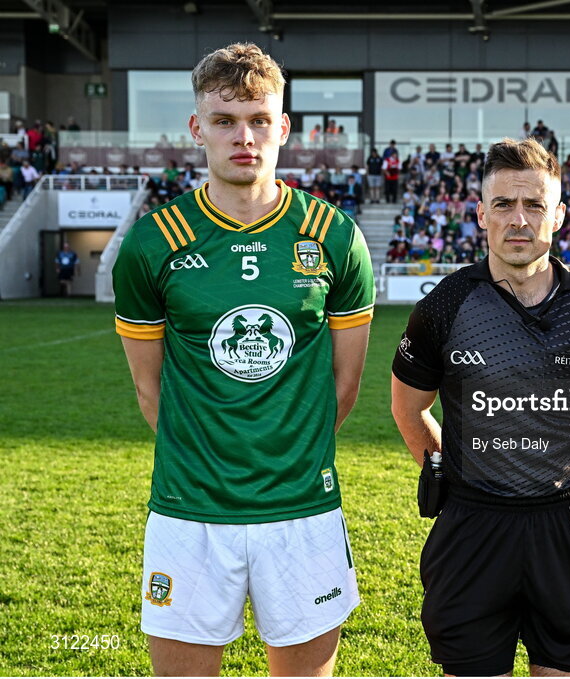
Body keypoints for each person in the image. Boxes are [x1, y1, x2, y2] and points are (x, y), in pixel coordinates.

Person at [111, 43, 375, 677]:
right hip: (189, 508)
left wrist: (286, 455)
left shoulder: (334, 235)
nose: (244, 137)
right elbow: (152, 394)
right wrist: (210, 464)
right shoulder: (154, 243)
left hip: (303, 510)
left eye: (259, 120)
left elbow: (345, 385)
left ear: (284, 128)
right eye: (225, 121)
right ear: (197, 128)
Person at [391, 137, 570, 677]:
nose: (519, 219)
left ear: (558, 214)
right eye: (503, 204)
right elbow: (409, 410)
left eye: (534, 205)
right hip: (473, 528)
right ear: (481, 213)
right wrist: (448, 472)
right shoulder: (443, 307)